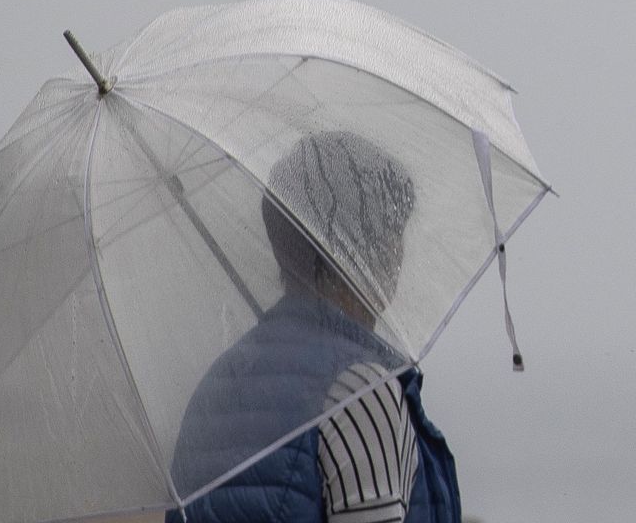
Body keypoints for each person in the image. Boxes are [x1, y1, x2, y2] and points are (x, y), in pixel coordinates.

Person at [166, 132, 460, 523]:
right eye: (393, 229)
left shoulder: (216, 387)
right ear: (366, 244)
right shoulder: (361, 391)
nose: (399, 252)